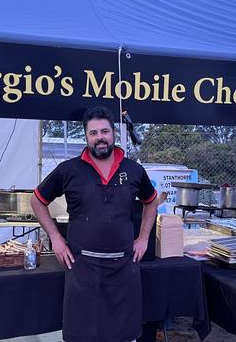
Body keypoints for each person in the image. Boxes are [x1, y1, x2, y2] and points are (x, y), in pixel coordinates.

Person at [30, 106, 158, 342]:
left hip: (123, 269)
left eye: (105, 131)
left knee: (124, 336)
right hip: (82, 269)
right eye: (94, 133)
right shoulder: (68, 170)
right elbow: (37, 201)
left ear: (113, 134)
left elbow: (151, 201)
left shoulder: (133, 170)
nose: (100, 137)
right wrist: (56, 238)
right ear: (86, 136)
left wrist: (143, 238)